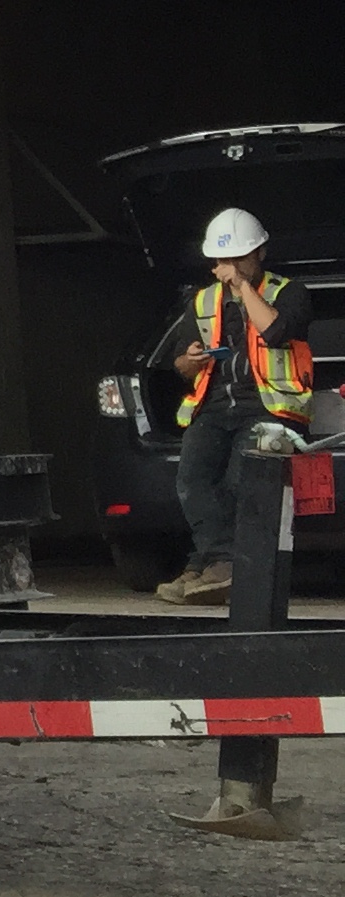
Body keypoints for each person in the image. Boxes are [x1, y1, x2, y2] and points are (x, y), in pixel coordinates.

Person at [159, 207, 314, 605]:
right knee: (192, 480)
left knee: (235, 481)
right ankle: (207, 564)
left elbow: (277, 331)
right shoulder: (204, 300)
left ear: (260, 253)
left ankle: (218, 565)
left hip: (268, 408)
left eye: (238, 258)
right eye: (222, 260)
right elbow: (179, 362)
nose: (228, 267)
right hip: (213, 408)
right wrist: (190, 359)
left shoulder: (288, 292)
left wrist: (245, 289)